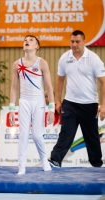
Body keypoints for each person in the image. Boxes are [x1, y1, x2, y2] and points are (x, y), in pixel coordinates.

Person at [48, 30, 105, 168]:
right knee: (66, 133)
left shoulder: (93, 58)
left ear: (84, 42)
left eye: (77, 41)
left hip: (89, 104)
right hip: (70, 103)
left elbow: (103, 82)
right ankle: (55, 160)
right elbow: (60, 79)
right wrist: (58, 100)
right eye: (72, 41)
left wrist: (103, 105)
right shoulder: (64, 58)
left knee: (91, 137)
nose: (74, 44)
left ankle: (97, 164)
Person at [9, 35, 55, 175]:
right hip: (24, 102)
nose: (26, 41)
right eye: (25, 40)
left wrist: (51, 108)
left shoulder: (42, 63)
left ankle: (44, 161)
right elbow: (13, 87)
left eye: (31, 40)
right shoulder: (17, 64)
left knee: (36, 135)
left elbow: (49, 87)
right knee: (23, 135)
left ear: (37, 46)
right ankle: (21, 167)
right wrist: (11, 108)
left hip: (38, 102)